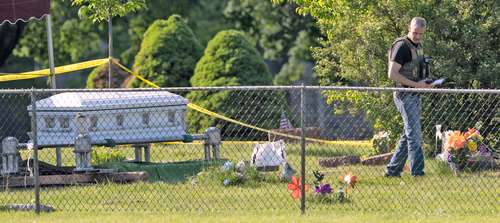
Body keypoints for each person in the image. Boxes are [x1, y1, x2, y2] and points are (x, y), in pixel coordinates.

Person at [385, 17, 433, 177]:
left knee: (409, 134)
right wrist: (415, 85)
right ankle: (417, 173)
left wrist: (425, 83)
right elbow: (392, 74)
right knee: (414, 135)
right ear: (409, 28)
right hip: (404, 95)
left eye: (420, 34)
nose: (417, 36)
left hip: (415, 93)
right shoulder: (401, 46)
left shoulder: (418, 46)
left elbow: (416, 71)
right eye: (415, 33)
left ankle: (392, 170)